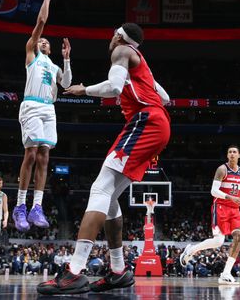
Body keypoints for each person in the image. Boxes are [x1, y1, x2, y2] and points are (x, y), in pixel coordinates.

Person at [38, 23, 170, 295]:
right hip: (157, 123)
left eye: (113, 34)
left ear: (121, 37)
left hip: (145, 121)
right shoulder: (141, 62)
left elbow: (114, 87)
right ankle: (119, 271)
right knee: (108, 198)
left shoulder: (122, 50)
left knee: (99, 188)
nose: (110, 38)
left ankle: (74, 271)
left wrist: (83, 90)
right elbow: (165, 97)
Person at [13, 0, 72, 232]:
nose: (44, 42)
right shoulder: (32, 54)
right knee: (31, 153)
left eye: (47, 41)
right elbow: (41, 22)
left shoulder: (54, 66)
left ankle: (37, 207)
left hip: (49, 109)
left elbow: (67, 84)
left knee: (45, 156)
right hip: (32, 105)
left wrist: (67, 58)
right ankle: (20, 206)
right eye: (42, 40)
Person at [180, 145, 240, 285]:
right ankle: (191, 250)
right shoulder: (222, 169)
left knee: (239, 237)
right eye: (229, 152)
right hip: (221, 206)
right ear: (227, 155)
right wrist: (229, 197)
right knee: (219, 241)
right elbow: (213, 191)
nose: (232, 154)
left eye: (234, 152)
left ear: (239, 155)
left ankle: (226, 273)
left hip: (235, 210)